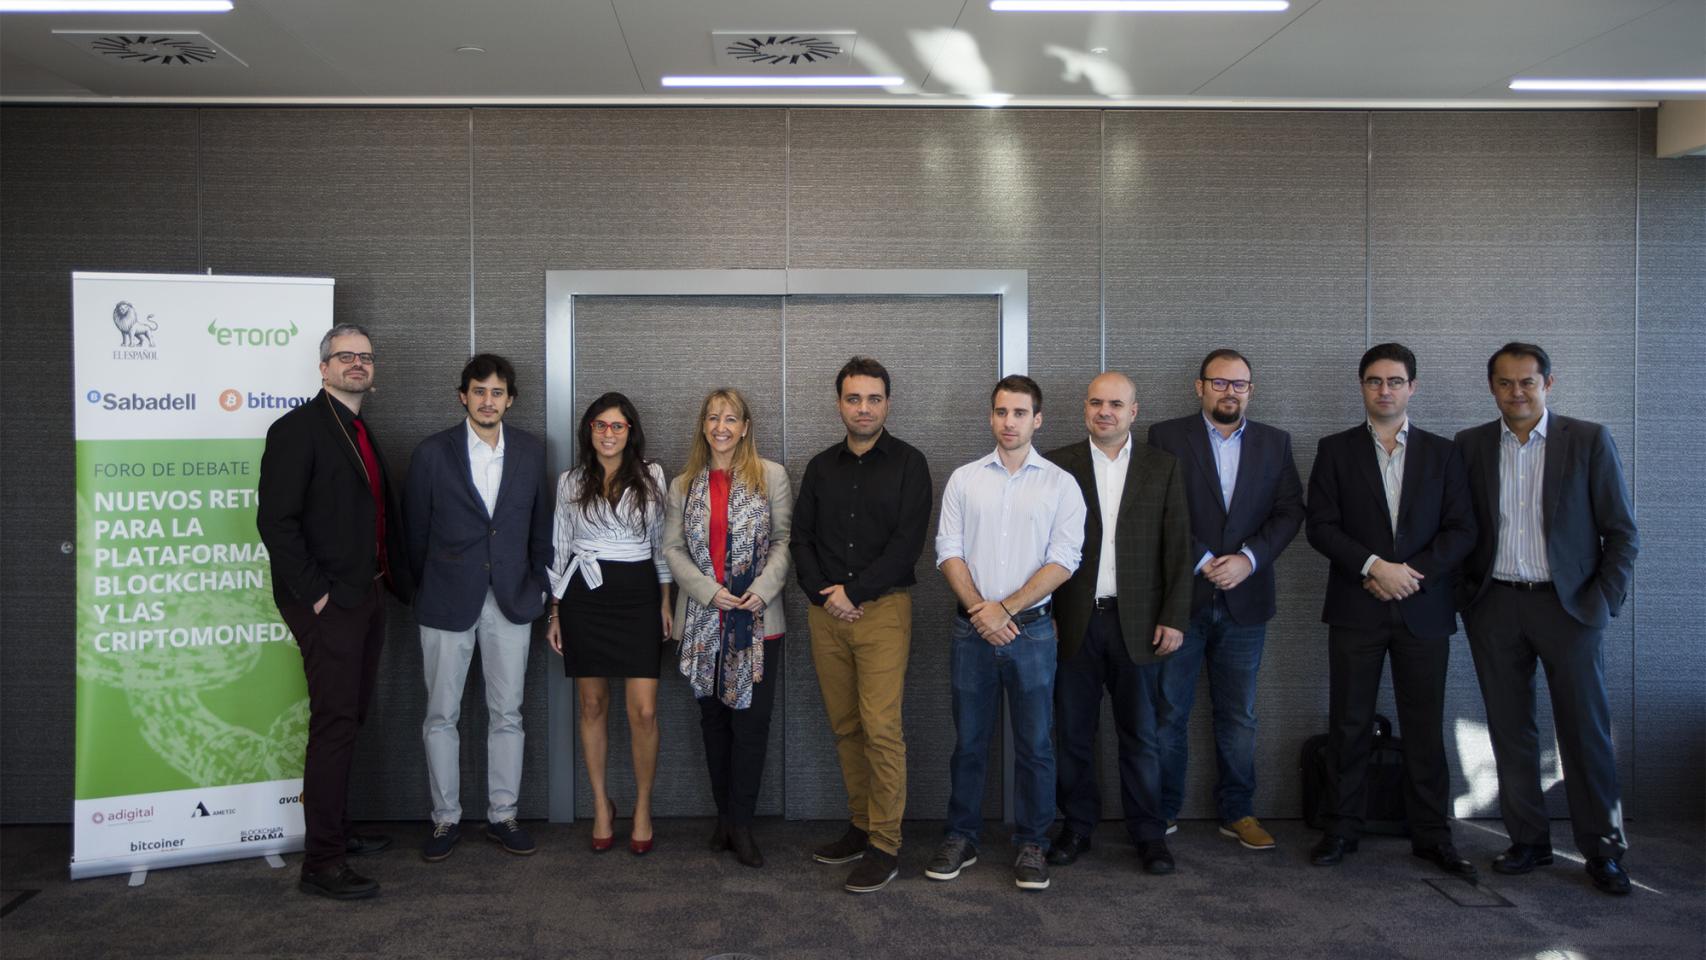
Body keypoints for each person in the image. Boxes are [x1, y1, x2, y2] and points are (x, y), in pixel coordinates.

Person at [1454, 342, 1638, 896]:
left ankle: (1602, 851)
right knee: (1510, 734)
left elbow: (1622, 534)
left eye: (1527, 382)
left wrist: (1602, 603)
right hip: (1496, 606)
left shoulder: (1586, 440)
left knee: (1585, 735)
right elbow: (1460, 528)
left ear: (1548, 384)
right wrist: (1469, 595)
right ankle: (1528, 842)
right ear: (1491, 387)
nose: (1516, 392)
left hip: (1570, 608)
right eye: (1505, 383)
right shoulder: (1470, 445)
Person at [1303, 343, 1477, 878]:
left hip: (1422, 609)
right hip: (1358, 606)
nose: (1385, 390)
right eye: (1375, 381)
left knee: (1425, 726)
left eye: (1395, 381)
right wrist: (1376, 567)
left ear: (1412, 387)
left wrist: (1407, 575)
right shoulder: (1334, 450)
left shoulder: (1444, 453)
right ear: (1362, 387)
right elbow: (1321, 527)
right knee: (1350, 723)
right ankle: (1341, 828)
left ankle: (1431, 835)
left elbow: (1462, 531)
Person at [257, 322, 414, 900]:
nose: (356, 364)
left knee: (349, 720)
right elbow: (275, 522)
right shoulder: (297, 430)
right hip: (328, 603)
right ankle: (320, 862)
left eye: (365, 357)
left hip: (365, 595)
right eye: (344, 356)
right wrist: (317, 594)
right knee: (333, 726)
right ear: (322, 368)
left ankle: (336, 831)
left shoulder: (357, 429)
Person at [926, 375, 1085, 893]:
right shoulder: (965, 479)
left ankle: (1032, 841)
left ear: (1037, 419)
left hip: (1033, 633)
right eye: (1001, 412)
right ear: (991, 417)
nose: (1009, 422)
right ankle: (962, 836)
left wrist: (1006, 610)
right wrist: (981, 611)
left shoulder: (1060, 484)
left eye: (1020, 413)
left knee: (1036, 744)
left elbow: (1065, 559)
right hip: (971, 631)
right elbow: (947, 549)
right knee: (969, 742)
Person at [1146, 349, 1303, 851]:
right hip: (1181, 599)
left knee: (1240, 716)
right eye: (1219, 383)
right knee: (1169, 712)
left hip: (1246, 599)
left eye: (1239, 384)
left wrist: (1248, 559)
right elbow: (1154, 506)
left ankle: (1238, 811)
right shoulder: (1166, 437)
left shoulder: (1276, 444)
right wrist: (1203, 558)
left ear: (1250, 391)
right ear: (1199, 387)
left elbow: (1289, 512)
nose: (1229, 391)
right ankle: (1162, 811)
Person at [1044, 371, 1193, 877]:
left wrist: (1175, 617)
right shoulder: (1057, 464)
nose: (1104, 411)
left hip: (1141, 624)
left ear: (1134, 410)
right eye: (1095, 403)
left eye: (1115, 404)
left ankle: (1149, 835)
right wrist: (1046, 614)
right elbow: (1040, 547)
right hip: (1073, 622)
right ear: (1084, 409)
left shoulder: (1163, 467)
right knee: (1073, 734)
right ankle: (1077, 827)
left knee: (1142, 735)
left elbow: (1178, 549)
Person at [793, 357, 932, 894]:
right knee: (846, 725)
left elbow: (906, 546)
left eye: (874, 398)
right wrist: (826, 596)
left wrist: (854, 593)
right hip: (826, 613)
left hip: (883, 612)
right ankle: (861, 824)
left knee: (880, 728)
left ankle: (886, 845)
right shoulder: (821, 466)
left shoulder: (910, 464)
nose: (864, 407)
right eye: (854, 398)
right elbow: (800, 538)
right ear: (839, 404)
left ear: (887, 404)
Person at [406, 353, 553, 862]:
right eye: (478, 391)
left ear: (510, 399)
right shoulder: (431, 454)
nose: (488, 401)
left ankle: (502, 815)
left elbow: (541, 529)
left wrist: (537, 587)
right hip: (445, 601)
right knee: (440, 715)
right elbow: (414, 534)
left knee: (507, 713)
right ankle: (444, 820)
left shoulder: (533, 453)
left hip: (511, 601)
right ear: (462, 396)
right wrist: (424, 591)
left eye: (497, 392)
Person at [663, 388, 792, 868]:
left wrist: (764, 588)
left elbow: (783, 540)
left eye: (731, 418)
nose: (721, 426)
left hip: (758, 620)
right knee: (713, 722)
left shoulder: (771, 476)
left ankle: (742, 823)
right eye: (713, 418)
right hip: (701, 620)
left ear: (744, 427)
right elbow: (673, 550)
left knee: (751, 725)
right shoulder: (683, 484)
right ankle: (724, 817)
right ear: (703, 425)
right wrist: (705, 590)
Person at [545, 392, 673, 855]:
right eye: (600, 425)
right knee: (592, 706)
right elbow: (559, 546)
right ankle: (601, 804)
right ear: (589, 432)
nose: (608, 434)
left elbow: (661, 545)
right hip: (584, 597)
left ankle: (642, 806)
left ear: (631, 432)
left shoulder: (652, 475)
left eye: (618, 426)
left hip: (638, 595)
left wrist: (665, 601)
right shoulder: (570, 481)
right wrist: (555, 611)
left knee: (643, 711)